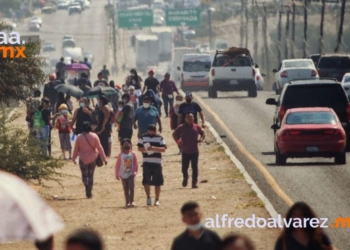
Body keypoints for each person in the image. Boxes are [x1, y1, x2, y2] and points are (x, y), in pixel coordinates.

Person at [72, 121, 107, 198]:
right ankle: (90, 191)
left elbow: (76, 149)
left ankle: (86, 186)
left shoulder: (79, 137)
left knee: (84, 175)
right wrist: (104, 158)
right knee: (91, 175)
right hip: (93, 159)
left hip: (83, 159)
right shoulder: (94, 136)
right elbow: (100, 148)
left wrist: (74, 158)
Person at [173, 112, 205, 188]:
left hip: (194, 151)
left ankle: (194, 182)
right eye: (188, 117)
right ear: (185, 119)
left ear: (194, 118)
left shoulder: (196, 127)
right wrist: (178, 142)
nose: (190, 118)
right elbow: (174, 134)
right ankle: (185, 177)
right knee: (184, 167)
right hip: (185, 151)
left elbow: (202, 134)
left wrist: (200, 139)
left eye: (191, 117)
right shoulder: (181, 127)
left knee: (194, 167)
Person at [137, 124, 166, 206]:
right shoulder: (143, 137)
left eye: (153, 131)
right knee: (146, 181)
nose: (152, 132)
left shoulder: (160, 138)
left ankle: (157, 199)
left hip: (157, 162)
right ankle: (148, 197)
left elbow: (163, 149)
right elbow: (139, 148)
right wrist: (147, 149)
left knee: (158, 182)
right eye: (150, 131)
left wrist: (153, 148)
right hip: (147, 162)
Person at [115, 138, 139, 207]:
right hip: (123, 174)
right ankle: (127, 201)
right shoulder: (120, 155)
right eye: (125, 144)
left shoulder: (133, 154)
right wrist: (117, 174)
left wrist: (134, 171)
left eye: (128, 144)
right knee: (126, 189)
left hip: (131, 173)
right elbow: (117, 165)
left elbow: (135, 163)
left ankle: (132, 201)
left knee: (131, 187)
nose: (127, 145)